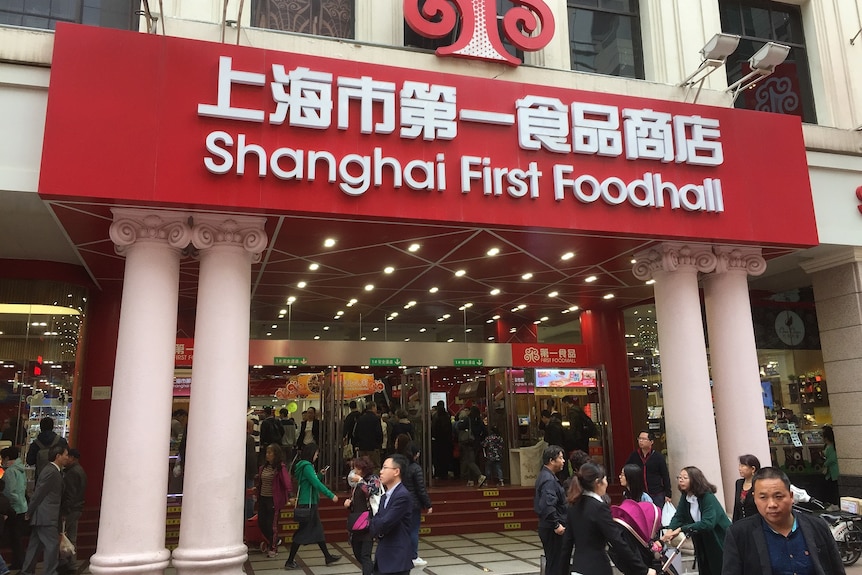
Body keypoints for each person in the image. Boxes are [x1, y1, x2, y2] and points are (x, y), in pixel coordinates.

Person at [722, 466, 845, 575]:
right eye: (763, 497)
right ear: (754, 498)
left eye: (778, 496)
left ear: (791, 497)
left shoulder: (817, 526)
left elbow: (836, 569)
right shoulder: (739, 534)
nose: (772, 504)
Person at [560, 462, 656, 575]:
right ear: (597, 482)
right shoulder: (599, 508)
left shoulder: (574, 506)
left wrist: (562, 571)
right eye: (605, 479)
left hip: (578, 569)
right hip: (597, 569)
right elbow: (617, 541)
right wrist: (643, 569)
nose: (607, 483)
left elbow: (566, 545)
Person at [661, 466, 730, 575]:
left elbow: (708, 523)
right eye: (679, 477)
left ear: (695, 479)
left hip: (717, 539)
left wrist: (681, 529)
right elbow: (679, 516)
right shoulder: (686, 497)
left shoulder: (708, 497)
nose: (681, 480)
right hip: (701, 539)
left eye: (685, 477)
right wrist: (670, 529)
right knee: (704, 567)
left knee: (719, 568)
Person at [284, 443, 340, 569]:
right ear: (311, 453)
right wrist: (331, 495)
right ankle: (290, 561)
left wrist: (320, 475)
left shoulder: (304, 466)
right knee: (302, 532)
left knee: (318, 530)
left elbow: (311, 481)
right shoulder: (307, 466)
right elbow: (315, 484)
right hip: (308, 503)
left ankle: (327, 556)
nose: (317, 455)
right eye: (316, 453)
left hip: (308, 502)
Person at [21, 444, 69, 575]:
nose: (67, 457)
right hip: (47, 515)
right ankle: (50, 572)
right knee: (52, 546)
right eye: (65, 454)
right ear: (58, 456)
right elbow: (38, 493)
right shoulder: (51, 471)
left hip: (43, 515)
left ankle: (26, 571)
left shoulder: (52, 471)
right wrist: (29, 511)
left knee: (35, 546)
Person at [369, 454, 414, 575]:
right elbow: (375, 521)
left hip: (396, 559)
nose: (381, 472)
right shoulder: (384, 497)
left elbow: (384, 523)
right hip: (383, 557)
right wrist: (375, 524)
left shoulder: (402, 495)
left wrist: (375, 523)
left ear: (396, 471)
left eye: (384, 468)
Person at [343, 456, 382, 575]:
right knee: (357, 553)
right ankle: (374, 571)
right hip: (356, 522)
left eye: (357, 468)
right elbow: (358, 500)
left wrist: (360, 481)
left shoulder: (373, 479)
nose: (354, 471)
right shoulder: (356, 483)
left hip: (367, 522)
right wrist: (348, 504)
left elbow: (371, 492)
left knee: (365, 555)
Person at [397, 441, 432, 567]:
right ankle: (413, 556)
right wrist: (428, 504)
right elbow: (420, 489)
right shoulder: (416, 468)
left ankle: (403, 554)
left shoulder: (401, 466)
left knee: (403, 530)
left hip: (401, 502)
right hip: (413, 503)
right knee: (413, 530)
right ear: (416, 454)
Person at [534, 445, 567, 575]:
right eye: (560, 458)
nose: (563, 461)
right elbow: (547, 504)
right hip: (552, 529)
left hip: (549, 526)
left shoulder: (547, 476)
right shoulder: (548, 480)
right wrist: (556, 524)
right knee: (555, 564)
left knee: (555, 562)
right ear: (551, 461)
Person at [255, 443, 293, 558]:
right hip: (263, 498)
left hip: (273, 500)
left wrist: (290, 496)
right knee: (261, 522)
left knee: (272, 524)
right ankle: (275, 540)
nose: (267, 455)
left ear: (276, 454)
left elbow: (287, 482)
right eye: (267, 452)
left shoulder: (280, 468)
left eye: (270, 453)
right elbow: (261, 483)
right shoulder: (263, 468)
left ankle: (273, 547)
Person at [625, 431, 672, 507]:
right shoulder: (634, 456)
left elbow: (665, 476)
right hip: (640, 494)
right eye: (639, 438)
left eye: (643, 439)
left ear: (651, 442)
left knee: (657, 515)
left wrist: (668, 494)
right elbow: (626, 470)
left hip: (656, 494)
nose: (640, 441)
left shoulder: (658, 457)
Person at [58, 448, 87, 575]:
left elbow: (69, 494)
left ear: (73, 458)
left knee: (63, 536)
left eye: (67, 456)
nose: (65, 459)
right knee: (71, 537)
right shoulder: (79, 471)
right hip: (77, 507)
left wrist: (64, 511)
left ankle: (65, 563)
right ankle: (71, 564)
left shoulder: (72, 473)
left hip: (71, 509)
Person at [1, 447, 26, 569]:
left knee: (14, 538)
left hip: (14, 508)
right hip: (22, 506)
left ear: (6, 458)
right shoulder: (21, 469)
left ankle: (19, 562)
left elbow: (9, 491)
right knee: (17, 537)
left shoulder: (10, 471)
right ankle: (19, 562)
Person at [456, 407, 486, 487]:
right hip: (477, 443)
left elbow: (459, 426)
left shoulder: (468, 419)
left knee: (470, 461)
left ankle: (480, 476)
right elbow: (485, 431)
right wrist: (479, 438)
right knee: (472, 461)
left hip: (468, 443)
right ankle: (471, 480)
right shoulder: (480, 421)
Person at [354, 403, 384, 469]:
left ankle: (364, 479)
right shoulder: (376, 419)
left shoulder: (360, 419)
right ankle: (373, 479)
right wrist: (379, 444)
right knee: (375, 466)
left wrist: (357, 444)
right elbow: (379, 433)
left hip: (362, 447)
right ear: (373, 407)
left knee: (363, 466)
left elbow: (356, 433)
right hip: (373, 447)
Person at [732, 454, 760, 522]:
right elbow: (736, 507)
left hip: (757, 523)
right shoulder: (739, 483)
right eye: (739, 465)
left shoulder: (759, 484)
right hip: (741, 524)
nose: (739, 468)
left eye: (743, 466)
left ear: (753, 469)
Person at [430, 401, 452, 480]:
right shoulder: (447, 415)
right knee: (445, 457)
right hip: (446, 441)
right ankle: (444, 473)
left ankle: (438, 473)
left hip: (437, 441)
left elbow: (433, 428)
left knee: (437, 458)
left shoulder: (436, 416)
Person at [823, 425, 839, 505]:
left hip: (833, 471)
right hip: (831, 472)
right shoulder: (831, 446)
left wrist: (825, 464)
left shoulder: (831, 447)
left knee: (834, 489)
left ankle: (834, 504)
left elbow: (832, 458)